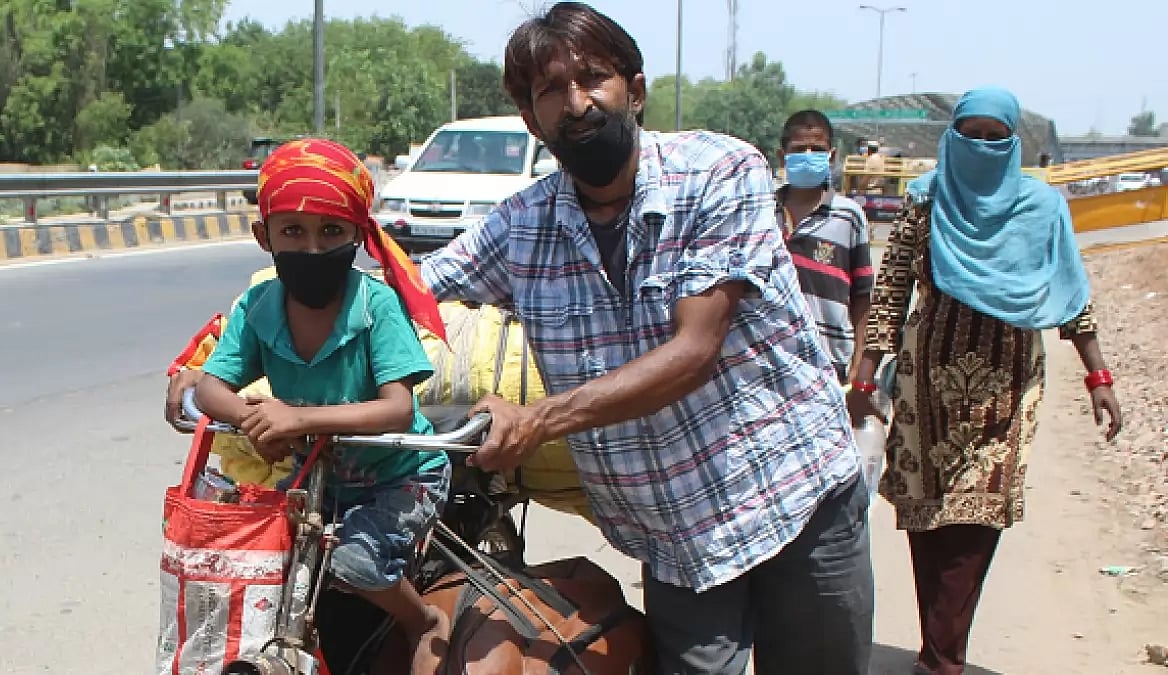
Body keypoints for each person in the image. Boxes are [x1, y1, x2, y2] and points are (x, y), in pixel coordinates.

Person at [419, 3, 873, 673]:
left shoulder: (719, 173)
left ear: (635, 89)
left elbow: (693, 351)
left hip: (795, 498)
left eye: (593, 77)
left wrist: (540, 416)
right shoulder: (522, 224)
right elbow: (399, 295)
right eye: (550, 91)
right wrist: (227, 351)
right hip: (676, 534)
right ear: (531, 120)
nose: (576, 103)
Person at [846, 86, 1123, 675]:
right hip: (926, 383)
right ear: (952, 139)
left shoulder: (1042, 208)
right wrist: (865, 375)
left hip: (1007, 386)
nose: (980, 147)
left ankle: (945, 657)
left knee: (978, 518)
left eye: (994, 138)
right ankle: (937, 647)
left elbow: (1070, 295)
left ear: (1014, 142)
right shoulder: (925, 202)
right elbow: (893, 290)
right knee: (926, 513)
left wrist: (1098, 375)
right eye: (968, 136)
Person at [192, 138, 452, 675]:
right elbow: (210, 387)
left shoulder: (375, 304)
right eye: (293, 232)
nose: (312, 248)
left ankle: (422, 620)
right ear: (264, 237)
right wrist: (249, 417)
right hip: (315, 478)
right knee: (250, 556)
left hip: (399, 476)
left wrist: (298, 417)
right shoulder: (259, 305)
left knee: (354, 561)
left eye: (331, 232)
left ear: (357, 235)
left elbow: (397, 409)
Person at [776, 109, 874, 385]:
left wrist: (858, 363)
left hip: (829, 364)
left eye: (816, 149)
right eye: (799, 149)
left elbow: (862, 296)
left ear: (831, 156)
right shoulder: (763, 212)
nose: (808, 154)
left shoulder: (848, 216)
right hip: (771, 361)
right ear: (782, 156)